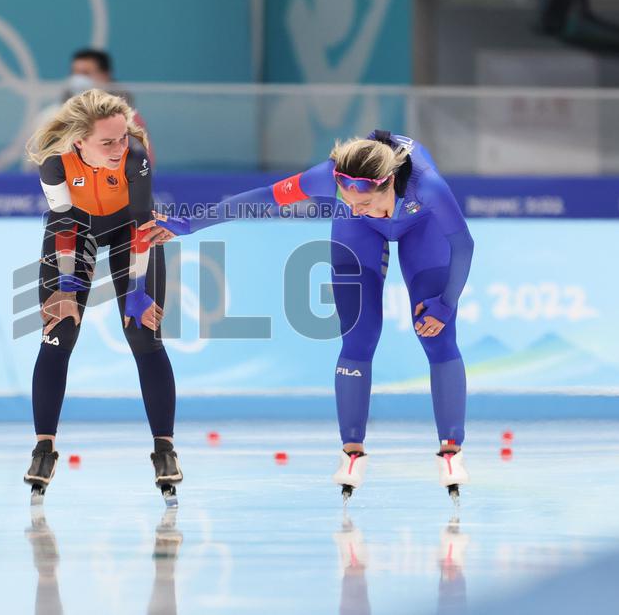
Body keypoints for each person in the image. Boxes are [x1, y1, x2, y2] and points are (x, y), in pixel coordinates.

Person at [150, 130, 474, 504]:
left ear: (387, 185)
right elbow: (262, 199)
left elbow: (463, 244)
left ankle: (451, 452)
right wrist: (190, 225)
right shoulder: (332, 181)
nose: (355, 206)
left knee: (437, 334)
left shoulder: (428, 187)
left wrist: (447, 303)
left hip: (422, 228)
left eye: (364, 201)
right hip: (360, 237)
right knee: (357, 336)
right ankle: (351, 453)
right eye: (347, 200)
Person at [23, 88, 180, 505]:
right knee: (60, 331)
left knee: (143, 335)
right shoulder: (55, 163)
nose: (118, 148)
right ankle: (44, 449)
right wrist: (67, 290)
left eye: (122, 137)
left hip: (131, 232)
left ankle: (164, 449)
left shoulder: (135, 156)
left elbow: (143, 224)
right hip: (76, 233)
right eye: (106, 142)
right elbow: (65, 225)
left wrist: (140, 293)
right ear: (80, 141)